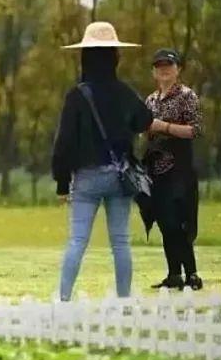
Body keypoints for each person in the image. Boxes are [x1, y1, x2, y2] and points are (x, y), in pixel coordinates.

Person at [52, 22, 153, 302]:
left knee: (77, 241)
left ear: (84, 56)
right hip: (120, 176)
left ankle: (63, 299)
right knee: (120, 242)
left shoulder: (77, 96)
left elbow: (64, 144)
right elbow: (144, 120)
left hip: (87, 178)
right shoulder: (124, 92)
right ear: (114, 57)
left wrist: (62, 182)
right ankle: (123, 299)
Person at [143, 48, 203, 291]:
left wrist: (164, 127)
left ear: (177, 69)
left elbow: (194, 130)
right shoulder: (150, 100)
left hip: (180, 168)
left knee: (180, 222)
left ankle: (191, 273)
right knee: (165, 222)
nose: (164, 69)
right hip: (156, 170)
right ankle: (174, 274)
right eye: (159, 66)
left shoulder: (187, 96)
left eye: (168, 65)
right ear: (153, 71)